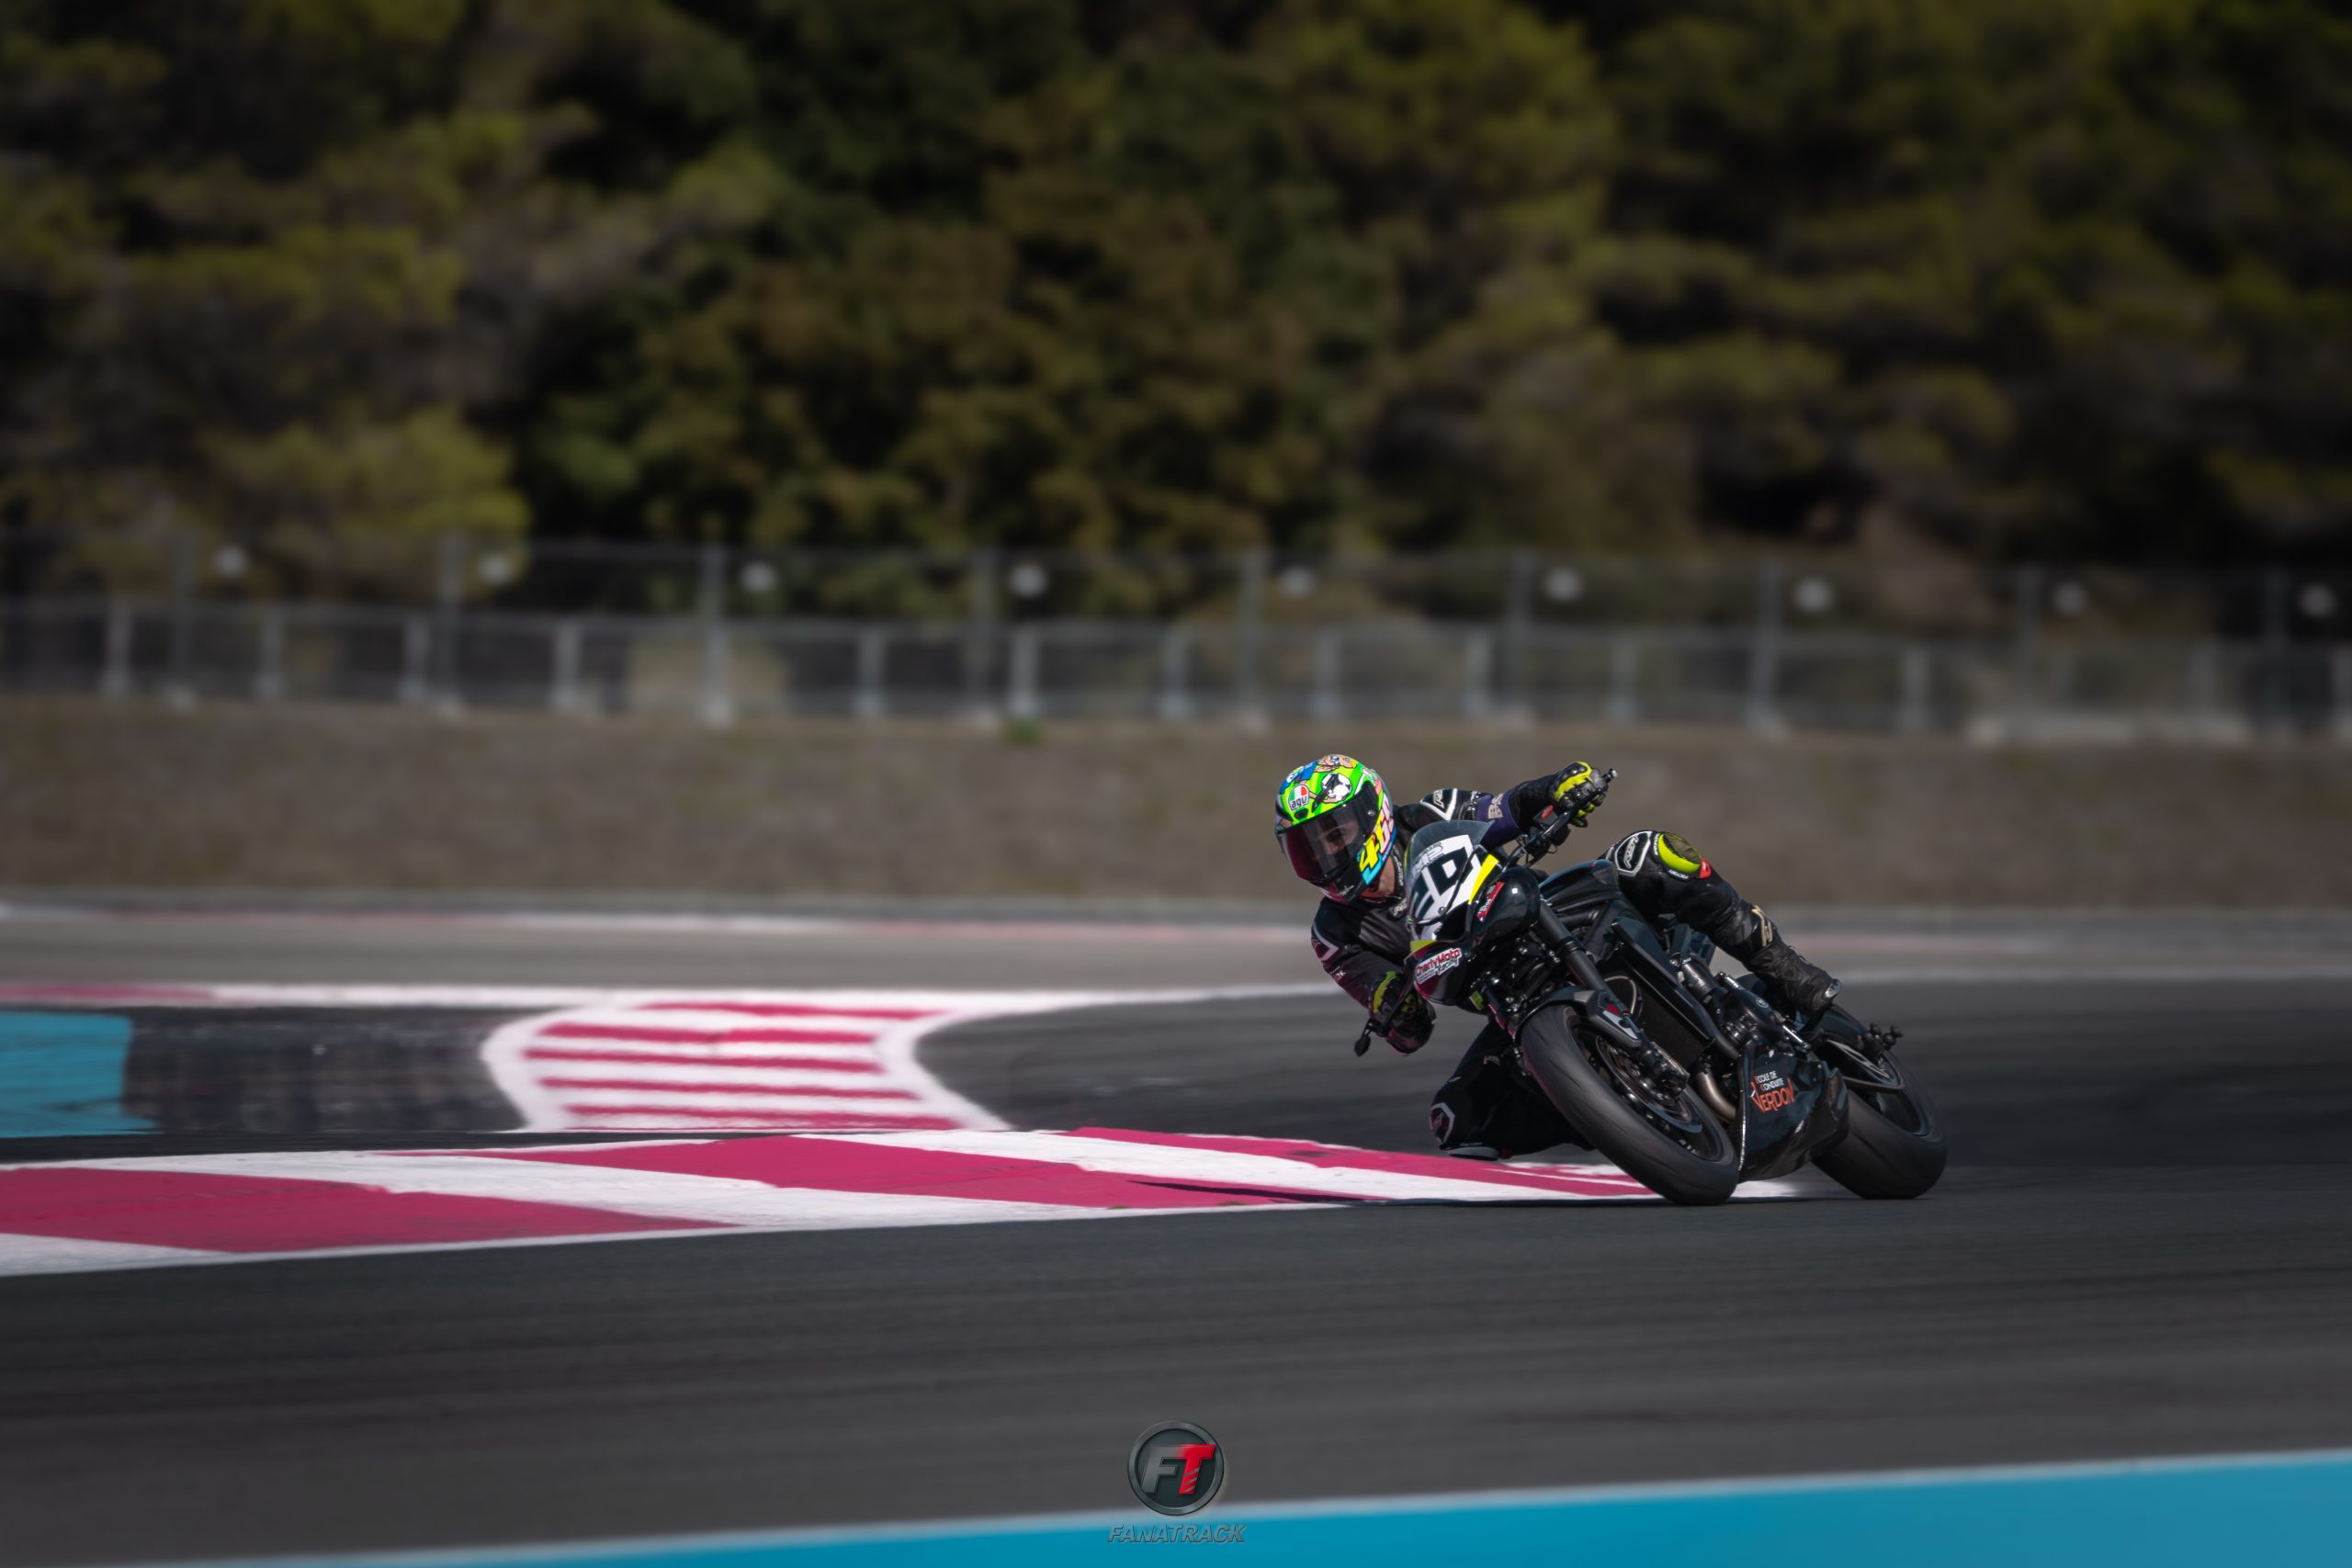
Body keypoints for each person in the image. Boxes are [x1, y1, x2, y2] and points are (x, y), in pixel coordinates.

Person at [1273, 752, 1841, 1160]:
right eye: (1308, 847)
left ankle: (1787, 970)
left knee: (1651, 853)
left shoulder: (1431, 814)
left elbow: (1508, 808)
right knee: (1456, 1119)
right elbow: (1404, 1024)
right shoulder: (1334, 934)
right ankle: (1623, 1117)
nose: (1325, 856)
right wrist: (1392, 1006)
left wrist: (1559, 787)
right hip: (1508, 1001)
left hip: (1554, 918)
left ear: (1372, 814)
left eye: (1333, 835)